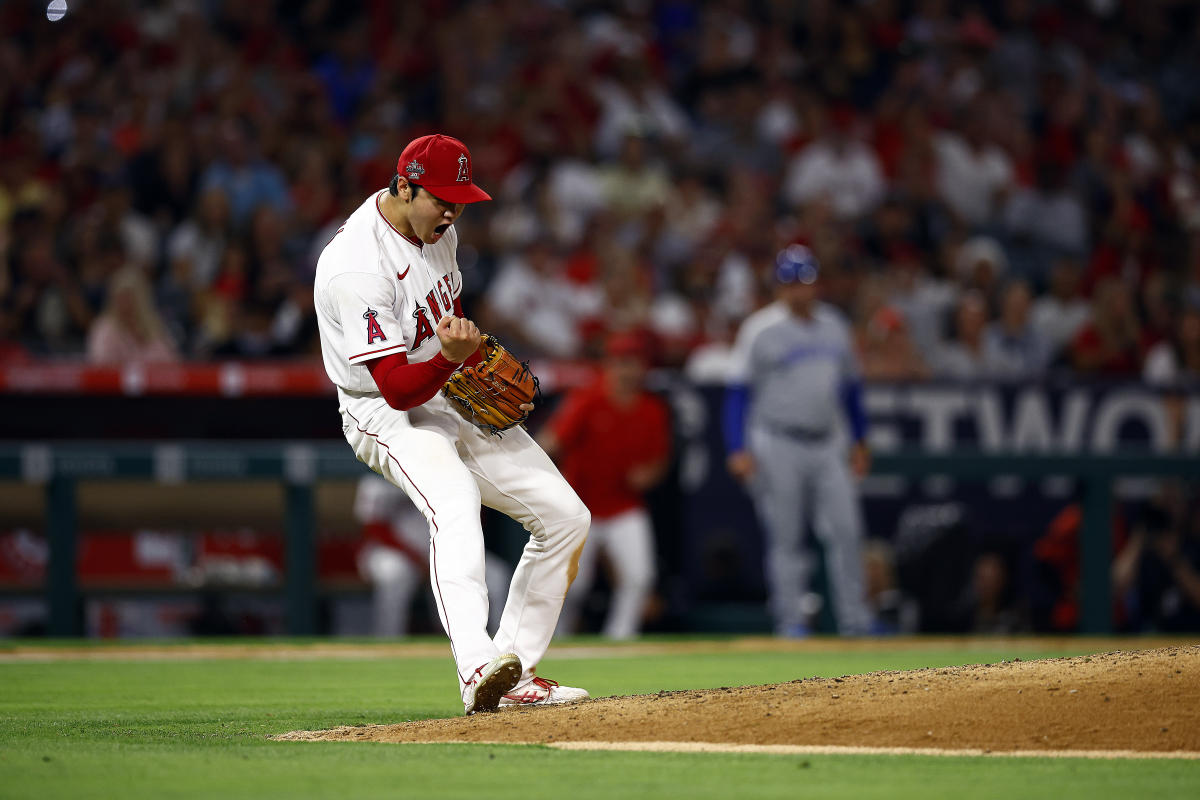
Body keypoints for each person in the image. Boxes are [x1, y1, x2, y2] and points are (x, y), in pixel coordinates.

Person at [313, 134, 591, 714]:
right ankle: (476, 665)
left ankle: (514, 677)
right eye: (441, 198)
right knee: (455, 498)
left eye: (459, 199)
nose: (452, 211)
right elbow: (393, 385)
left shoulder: (441, 232)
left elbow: (446, 318)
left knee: (566, 517)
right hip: (382, 411)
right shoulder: (355, 268)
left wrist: (461, 363)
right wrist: (449, 360)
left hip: (439, 389)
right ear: (403, 186)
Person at [723, 244, 873, 637]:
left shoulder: (835, 325)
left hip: (828, 441)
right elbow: (738, 393)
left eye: (804, 282)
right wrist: (737, 447)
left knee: (846, 530)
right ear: (778, 287)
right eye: (790, 283)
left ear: (815, 285)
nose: (798, 291)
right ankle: (791, 620)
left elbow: (851, 390)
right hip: (778, 441)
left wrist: (860, 439)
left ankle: (855, 620)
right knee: (786, 535)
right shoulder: (760, 329)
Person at [538, 332, 671, 640]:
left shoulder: (652, 409)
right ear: (609, 365)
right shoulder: (587, 399)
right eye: (621, 362)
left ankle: (620, 639)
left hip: (624, 505)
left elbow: (660, 461)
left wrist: (648, 475)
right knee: (574, 583)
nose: (628, 369)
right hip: (581, 506)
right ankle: (558, 639)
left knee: (639, 576)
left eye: (634, 362)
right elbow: (550, 442)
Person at [353, 475, 512, 638]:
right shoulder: (377, 478)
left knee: (497, 575)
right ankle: (388, 640)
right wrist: (419, 559)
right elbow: (375, 529)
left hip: (445, 548)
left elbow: (471, 519)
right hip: (390, 552)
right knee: (396, 574)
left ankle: (500, 641)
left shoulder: (450, 471)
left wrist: (443, 555)